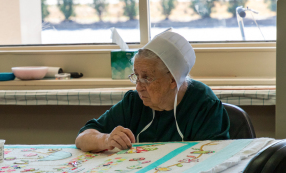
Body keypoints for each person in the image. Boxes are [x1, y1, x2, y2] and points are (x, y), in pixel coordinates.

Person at [75, 31, 230, 152]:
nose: (138, 87)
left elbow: (213, 159)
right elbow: (82, 137)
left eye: (147, 78)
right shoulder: (134, 102)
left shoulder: (205, 106)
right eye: (136, 76)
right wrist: (106, 139)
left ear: (173, 80)